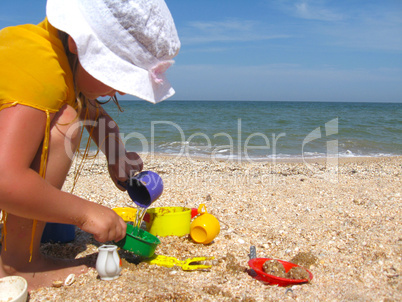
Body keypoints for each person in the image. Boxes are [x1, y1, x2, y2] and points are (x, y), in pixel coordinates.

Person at [0, 0, 180, 290]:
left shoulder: (49, 52)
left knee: (75, 112)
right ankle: (17, 264)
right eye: (116, 75)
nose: (121, 89)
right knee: (67, 121)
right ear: (75, 42)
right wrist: (86, 213)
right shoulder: (38, 69)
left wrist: (116, 153)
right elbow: (4, 180)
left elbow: (95, 114)